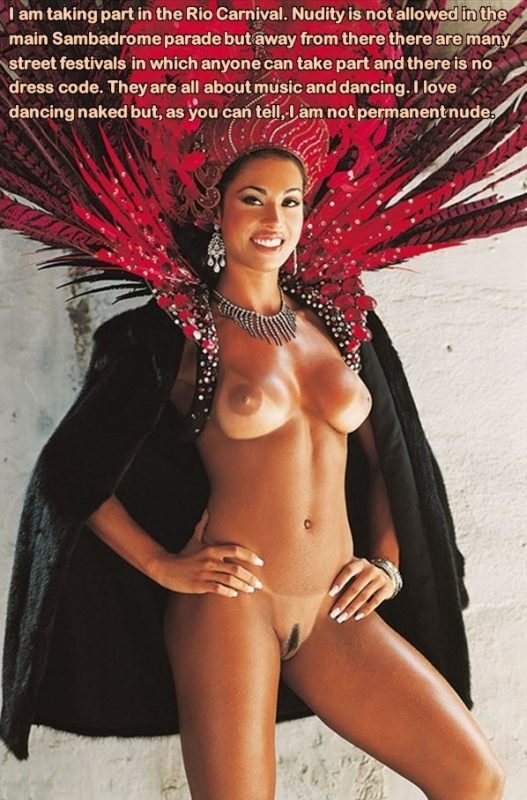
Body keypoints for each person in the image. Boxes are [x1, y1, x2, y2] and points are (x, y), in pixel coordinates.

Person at [1, 118, 505, 798]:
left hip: (333, 609)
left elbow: (392, 457)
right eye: (253, 199)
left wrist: (386, 560)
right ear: (217, 211)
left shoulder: (343, 322)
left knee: (474, 779)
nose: (274, 218)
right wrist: (161, 564)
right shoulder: (178, 335)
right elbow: (69, 475)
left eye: (290, 200)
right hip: (231, 608)